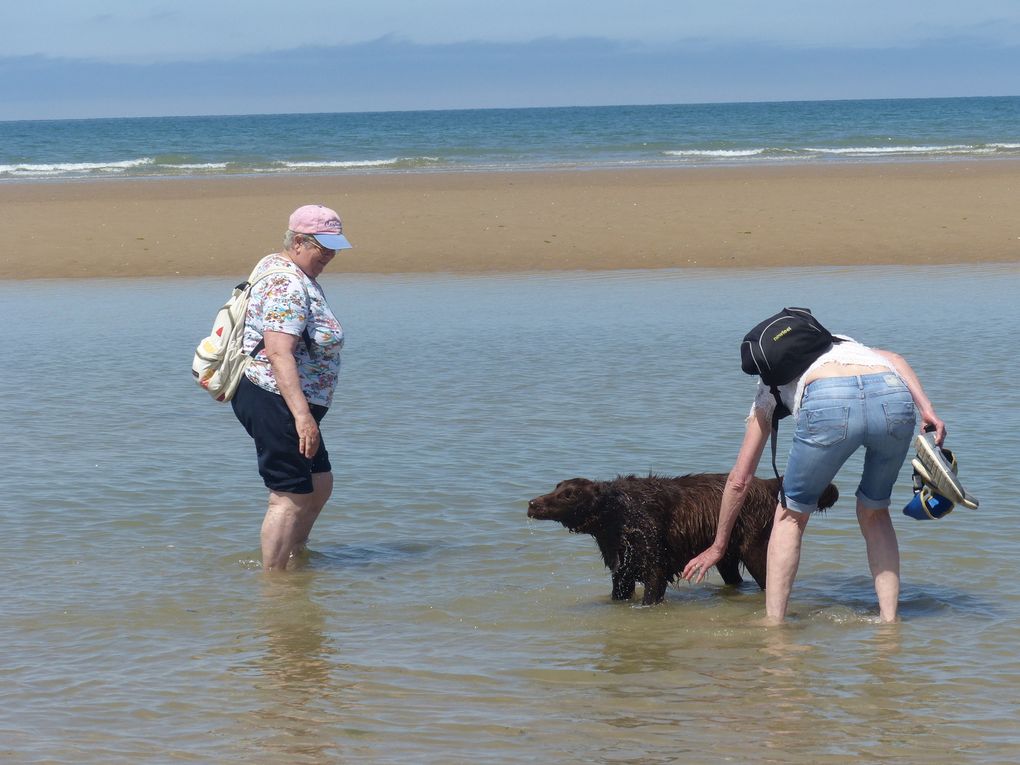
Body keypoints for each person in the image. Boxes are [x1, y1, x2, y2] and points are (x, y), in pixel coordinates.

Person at [682, 330, 946, 623]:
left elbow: (739, 480)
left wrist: (719, 546)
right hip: (894, 396)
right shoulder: (841, 342)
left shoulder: (770, 384)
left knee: (790, 516)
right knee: (875, 510)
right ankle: (889, 619)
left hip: (828, 399)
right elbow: (895, 359)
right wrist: (928, 410)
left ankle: (774, 623)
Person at [231, 204, 352, 570]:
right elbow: (279, 353)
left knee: (319, 484)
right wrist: (302, 416)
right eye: (323, 247)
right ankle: (275, 583)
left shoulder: (289, 270)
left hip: (287, 399)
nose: (330, 255)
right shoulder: (287, 283)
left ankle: (295, 559)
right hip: (275, 396)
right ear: (298, 241)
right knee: (288, 497)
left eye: (335, 248)